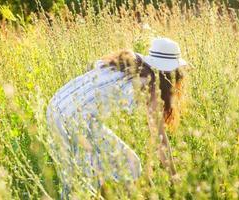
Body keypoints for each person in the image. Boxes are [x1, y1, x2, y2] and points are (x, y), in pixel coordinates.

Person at [46, 37, 188, 196]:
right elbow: (159, 138)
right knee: (87, 181)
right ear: (170, 74)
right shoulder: (150, 84)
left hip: (57, 105)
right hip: (76, 119)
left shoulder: (130, 61)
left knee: (123, 165)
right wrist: (174, 176)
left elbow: (92, 69)